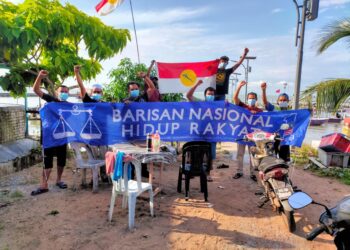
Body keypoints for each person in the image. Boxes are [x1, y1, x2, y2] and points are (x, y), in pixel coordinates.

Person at [31, 70, 69, 195]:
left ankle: (59, 180)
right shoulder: (51, 100)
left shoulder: (69, 105)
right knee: (47, 161)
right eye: (61, 92)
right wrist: (39, 77)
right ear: (57, 93)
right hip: (49, 138)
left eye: (65, 92)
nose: (63, 93)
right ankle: (44, 185)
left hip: (62, 137)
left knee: (61, 160)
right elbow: (36, 90)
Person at [74, 65, 109, 182]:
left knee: (105, 155)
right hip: (90, 134)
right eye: (95, 91)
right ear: (91, 92)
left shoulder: (105, 104)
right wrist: (77, 73)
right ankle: (94, 177)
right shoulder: (88, 101)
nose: (97, 93)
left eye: (99, 92)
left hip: (103, 134)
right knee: (93, 157)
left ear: (102, 93)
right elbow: (81, 87)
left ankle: (104, 175)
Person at [186, 79, 218, 182]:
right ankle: (191, 171)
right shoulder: (199, 103)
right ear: (205, 95)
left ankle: (208, 173)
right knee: (194, 152)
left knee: (210, 155)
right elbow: (188, 96)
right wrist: (197, 84)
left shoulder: (217, 106)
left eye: (212, 94)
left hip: (212, 134)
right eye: (209, 94)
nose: (210, 96)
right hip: (199, 133)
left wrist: (226, 104)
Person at [232, 80, 263, 181]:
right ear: (247, 99)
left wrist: (256, 115)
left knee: (253, 155)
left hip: (253, 136)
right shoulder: (243, 107)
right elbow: (235, 98)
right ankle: (239, 171)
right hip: (242, 134)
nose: (251, 100)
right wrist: (239, 86)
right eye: (250, 98)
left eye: (253, 98)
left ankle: (252, 173)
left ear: (256, 99)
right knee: (240, 154)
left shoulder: (259, 111)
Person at [261, 82, 290, 162]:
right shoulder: (274, 109)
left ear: (288, 101)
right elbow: (265, 102)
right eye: (281, 100)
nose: (282, 101)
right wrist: (263, 90)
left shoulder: (291, 112)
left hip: (285, 140)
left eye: (284, 100)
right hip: (273, 138)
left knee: (284, 160)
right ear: (277, 101)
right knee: (271, 159)